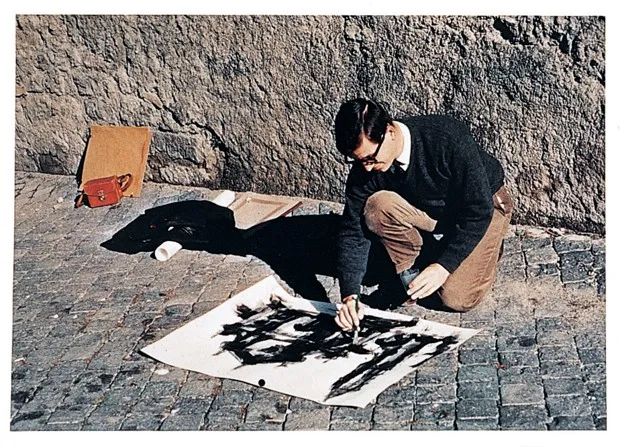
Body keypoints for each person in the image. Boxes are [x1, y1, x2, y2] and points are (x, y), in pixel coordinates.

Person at [333, 98, 513, 332]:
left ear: (390, 132)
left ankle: (486, 248)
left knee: (456, 298)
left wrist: (443, 266)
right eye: (358, 160)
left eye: (370, 158)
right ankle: (417, 266)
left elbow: (478, 210)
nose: (367, 167)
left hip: (483, 207)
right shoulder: (365, 168)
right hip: (431, 211)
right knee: (377, 206)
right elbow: (352, 230)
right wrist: (350, 296)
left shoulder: (446, 137)